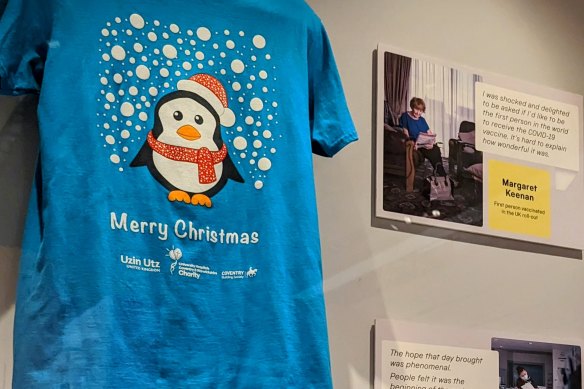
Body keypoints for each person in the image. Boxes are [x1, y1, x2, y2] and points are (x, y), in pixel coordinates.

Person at [399, 97, 446, 176]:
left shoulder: (422, 120)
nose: (418, 113)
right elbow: (405, 133)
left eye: (420, 111)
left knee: (435, 148)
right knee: (433, 151)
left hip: (423, 144)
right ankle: (441, 174)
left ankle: (440, 172)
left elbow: (429, 133)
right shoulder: (405, 116)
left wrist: (431, 141)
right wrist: (412, 143)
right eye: (416, 109)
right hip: (415, 144)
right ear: (412, 107)